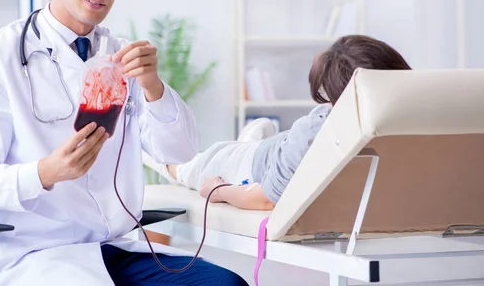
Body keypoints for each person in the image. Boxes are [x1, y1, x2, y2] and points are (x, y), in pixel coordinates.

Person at [0, 0, 248, 286]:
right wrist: (45, 173)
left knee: (226, 284)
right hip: (30, 253)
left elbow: (180, 152)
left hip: (111, 248)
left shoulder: (122, 58)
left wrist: (153, 86)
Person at [144, 34, 412, 210]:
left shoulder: (329, 130)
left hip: (276, 150)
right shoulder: (316, 133)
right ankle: (143, 149)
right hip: (241, 166)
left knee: (265, 144)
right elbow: (265, 199)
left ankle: (252, 137)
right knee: (181, 167)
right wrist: (220, 190)